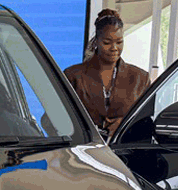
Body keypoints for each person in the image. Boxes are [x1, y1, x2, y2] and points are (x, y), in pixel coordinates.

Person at [63, 9, 149, 139]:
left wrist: (125, 124)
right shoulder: (73, 76)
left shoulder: (140, 79)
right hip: (83, 147)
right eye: (107, 43)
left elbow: (147, 122)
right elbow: (52, 119)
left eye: (119, 42)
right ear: (96, 41)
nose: (114, 48)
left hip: (125, 149)